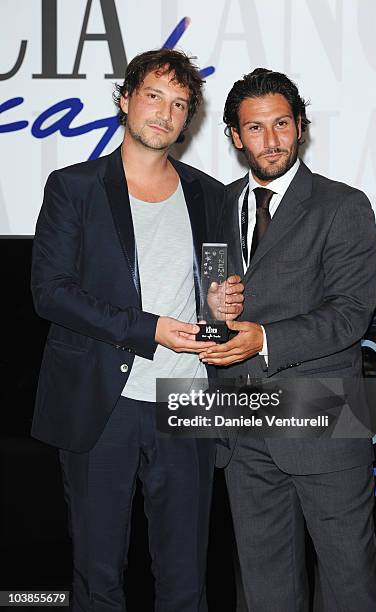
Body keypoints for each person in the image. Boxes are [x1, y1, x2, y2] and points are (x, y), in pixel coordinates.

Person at [31, 48, 243, 612]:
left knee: (185, 580)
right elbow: (50, 293)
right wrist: (152, 330)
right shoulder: (73, 187)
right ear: (126, 99)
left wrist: (223, 304)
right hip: (103, 400)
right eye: (154, 95)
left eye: (179, 104)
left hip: (189, 400)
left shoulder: (210, 194)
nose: (165, 113)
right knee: (97, 577)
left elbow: (218, 281)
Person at [199, 69, 376, 611]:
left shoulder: (342, 206)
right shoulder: (215, 207)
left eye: (281, 124)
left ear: (300, 127)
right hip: (241, 421)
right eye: (255, 128)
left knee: (351, 583)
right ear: (236, 137)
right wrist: (213, 314)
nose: (271, 140)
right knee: (265, 589)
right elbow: (207, 301)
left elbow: (351, 314)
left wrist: (265, 338)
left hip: (321, 417)